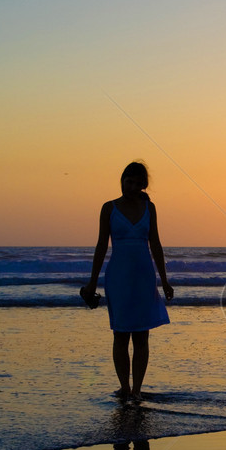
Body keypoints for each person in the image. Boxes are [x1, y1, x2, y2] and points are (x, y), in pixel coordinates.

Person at [82, 161, 174, 401]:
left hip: (144, 276)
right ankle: (124, 387)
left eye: (136, 183)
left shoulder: (149, 208)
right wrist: (92, 283)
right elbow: (102, 246)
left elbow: (155, 243)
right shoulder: (109, 208)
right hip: (119, 277)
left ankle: (137, 390)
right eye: (128, 181)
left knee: (142, 336)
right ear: (122, 180)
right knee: (120, 334)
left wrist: (164, 281)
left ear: (143, 185)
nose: (131, 187)